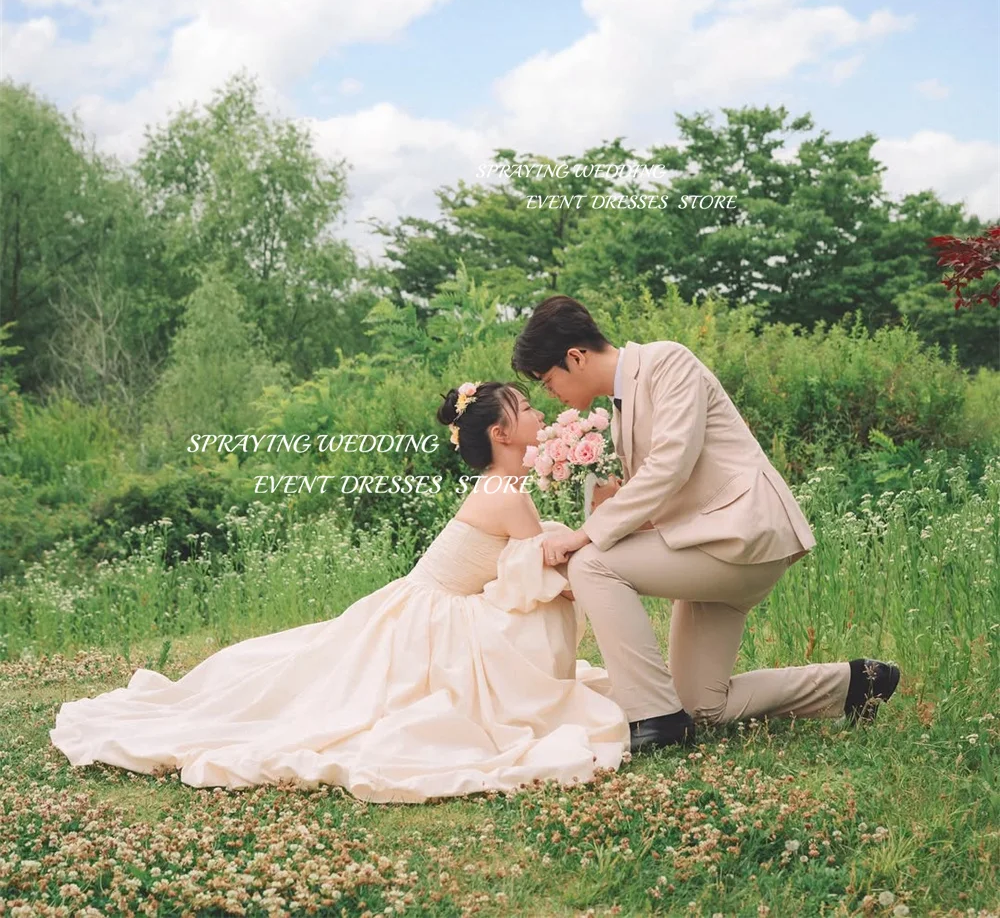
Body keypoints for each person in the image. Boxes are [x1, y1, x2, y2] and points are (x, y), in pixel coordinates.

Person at [49, 380, 629, 803]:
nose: (537, 412)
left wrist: (581, 532)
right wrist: (595, 529)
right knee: (351, 702)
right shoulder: (506, 491)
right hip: (429, 616)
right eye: (526, 408)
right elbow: (533, 572)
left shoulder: (507, 483)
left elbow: (530, 558)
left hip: (424, 602)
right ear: (502, 433)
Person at [511, 295, 900, 757]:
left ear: (575, 356)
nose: (548, 392)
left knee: (592, 562)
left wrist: (584, 535)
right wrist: (607, 510)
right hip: (706, 547)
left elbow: (672, 463)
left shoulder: (666, 362)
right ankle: (857, 683)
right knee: (702, 705)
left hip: (741, 536)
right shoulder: (619, 411)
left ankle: (653, 716)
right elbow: (659, 496)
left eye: (547, 379)